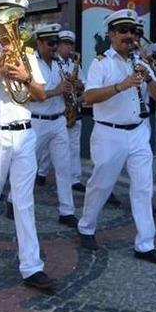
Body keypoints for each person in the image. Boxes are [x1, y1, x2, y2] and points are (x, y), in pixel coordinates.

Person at [0, 0, 55, 291]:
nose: (11, 27)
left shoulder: (28, 55)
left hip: (25, 133)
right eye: (6, 21)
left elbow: (41, 95)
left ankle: (31, 266)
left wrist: (26, 77)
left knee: (24, 201)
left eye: (16, 20)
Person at [77, 9, 156, 265]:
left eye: (133, 32)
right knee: (102, 185)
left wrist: (148, 77)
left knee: (143, 187)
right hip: (109, 133)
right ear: (111, 34)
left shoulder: (141, 62)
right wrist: (121, 85)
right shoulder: (100, 63)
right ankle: (86, 227)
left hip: (139, 131)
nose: (129, 37)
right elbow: (89, 97)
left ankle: (145, 244)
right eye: (124, 32)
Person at [27, 23, 77, 228]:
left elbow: (63, 88)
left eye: (56, 43)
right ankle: (14, 200)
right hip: (37, 121)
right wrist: (57, 91)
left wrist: (73, 87)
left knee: (64, 167)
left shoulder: (59, 64)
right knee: (28, 166)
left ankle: (67, 211)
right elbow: (31, 95)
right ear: (39, 43)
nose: (54, 47)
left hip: (58, 121)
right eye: (50, 43)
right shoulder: (30, 63)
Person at [37, 30, 86, 191]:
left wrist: (77, 85)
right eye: (62, 44)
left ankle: (73, 186)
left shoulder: (70, 65)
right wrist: (58, 90)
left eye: (69, 44)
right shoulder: (36, 62)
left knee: (68, 154)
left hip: (64, 114)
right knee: (37, 155)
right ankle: (41, 173)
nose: (66, 47)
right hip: (41, 117)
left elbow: (83, 86)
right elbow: (32, 94)